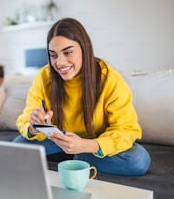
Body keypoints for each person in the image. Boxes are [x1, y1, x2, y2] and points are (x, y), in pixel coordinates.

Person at [13, 18, 151, 176]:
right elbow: (25, 118)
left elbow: (127, 130)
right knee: (18, 146)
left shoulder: (110, 79)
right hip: (59, 140)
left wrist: (86, 145)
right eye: (53, 55)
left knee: (139, 160)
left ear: (84, 49)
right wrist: (34, 126)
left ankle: (75, 156)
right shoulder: (44, 77)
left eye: (68, 52)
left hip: (94, 143)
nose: (60, 62)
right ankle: (75, 157)